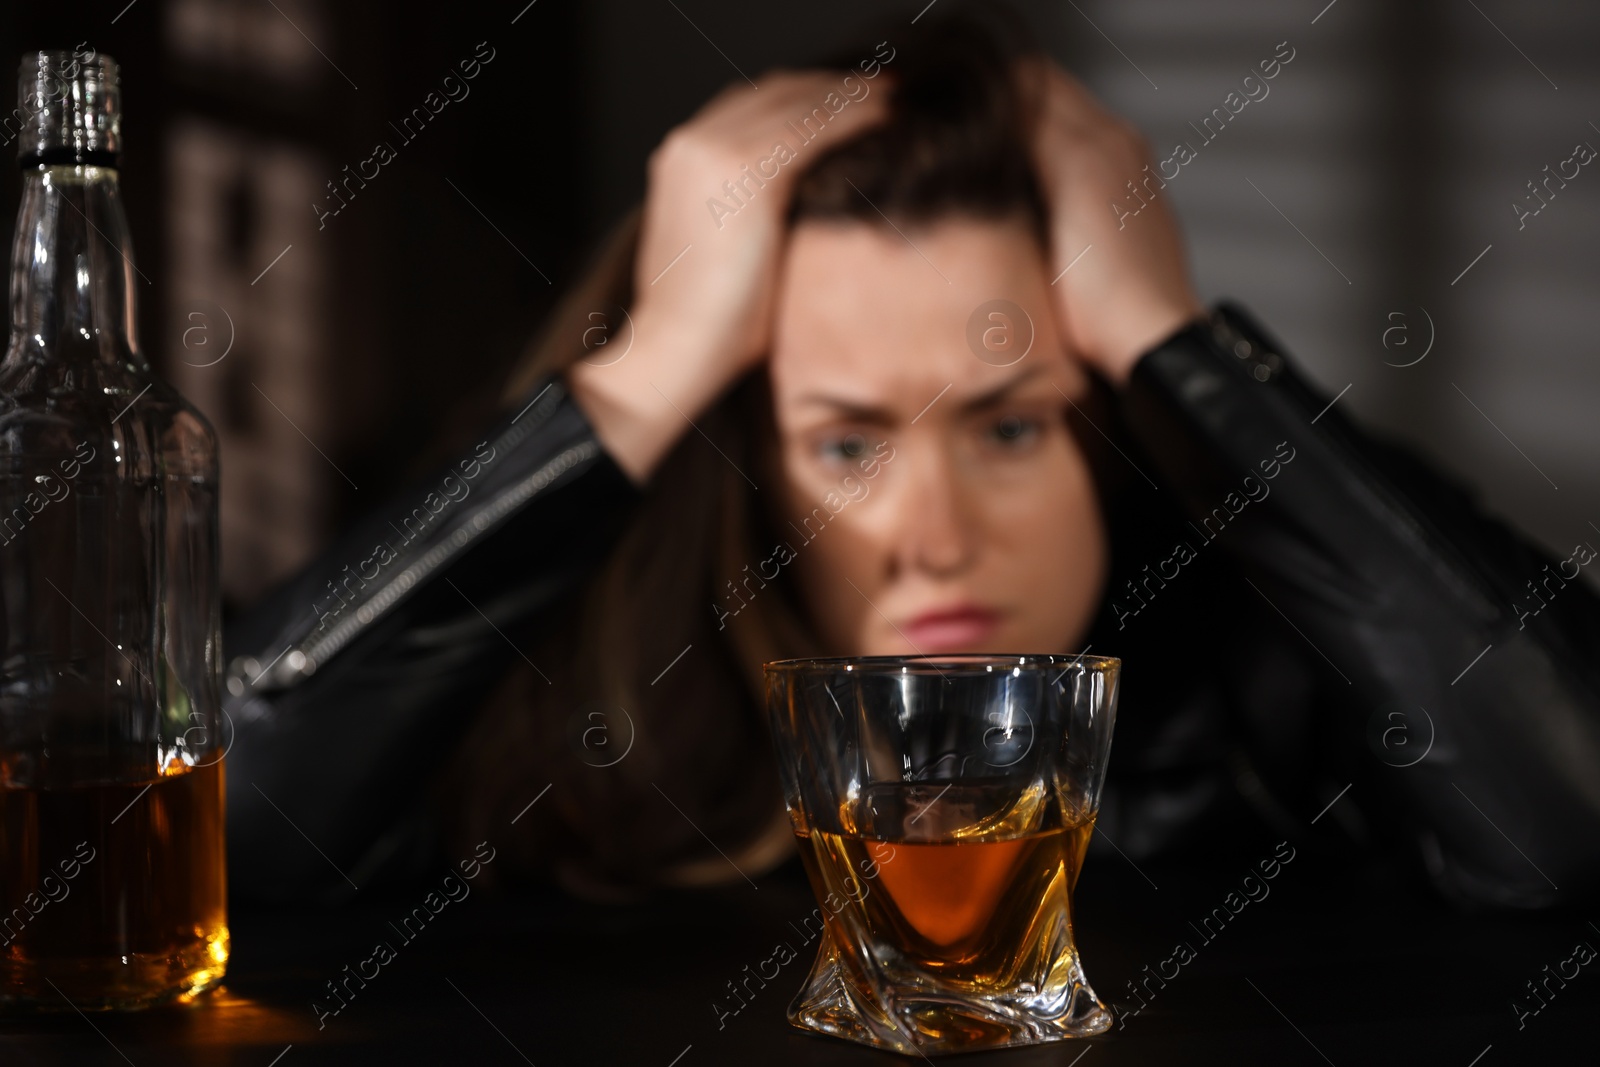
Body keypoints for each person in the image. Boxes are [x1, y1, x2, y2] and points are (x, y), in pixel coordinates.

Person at [221, 20, 1600, 911]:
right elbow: (203, 852)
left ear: (1105, 429)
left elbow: (1571, 815)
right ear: (745, 463)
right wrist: (648, 372)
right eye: (847, 442)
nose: (933, 540)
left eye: (1008, 426)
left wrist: (1175, 341)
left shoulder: (1269, 664)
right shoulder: (555, 711)